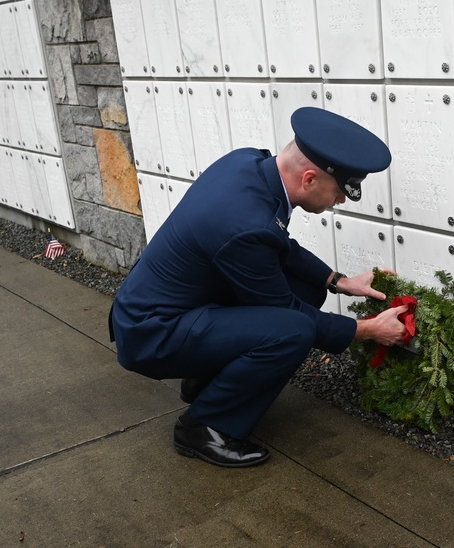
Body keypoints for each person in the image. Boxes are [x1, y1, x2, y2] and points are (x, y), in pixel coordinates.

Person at [110, 107, 410, 467]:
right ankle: (204, 427)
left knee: (305, 288)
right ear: (310, 179)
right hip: (152, 333)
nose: (341, 201)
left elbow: (273, 244)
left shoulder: (248, 164)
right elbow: (284, 306)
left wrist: (338, 281)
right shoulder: (244, 225)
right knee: (293, 330)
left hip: (174, 308)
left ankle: (206, 381)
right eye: (340, 191)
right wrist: (368, 330)